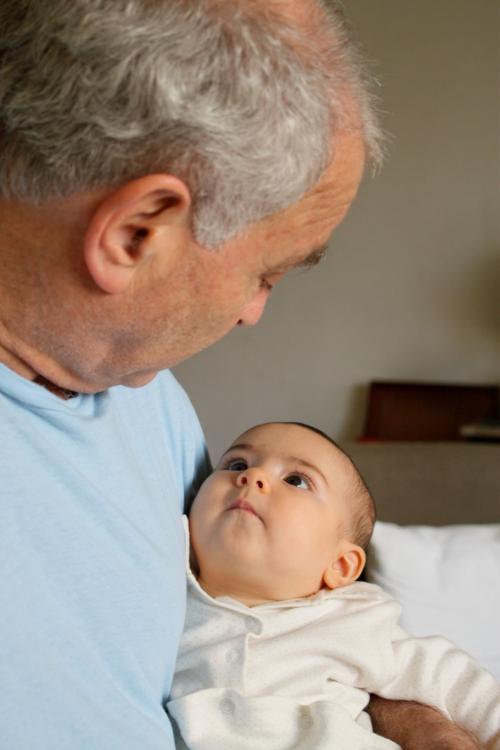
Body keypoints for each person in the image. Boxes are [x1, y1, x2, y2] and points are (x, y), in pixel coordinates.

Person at [0, 1, 484, 748]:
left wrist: (402, 716)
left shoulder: (145, 397)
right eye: (267, 272)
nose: (254, 312)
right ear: (136, 233)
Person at [168, 422, 500, 750]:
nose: (252, 477)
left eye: (296, 480)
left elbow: (451, 677)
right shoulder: (166, 593)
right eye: (237, 464)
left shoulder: (352, 618)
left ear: (340, 566)